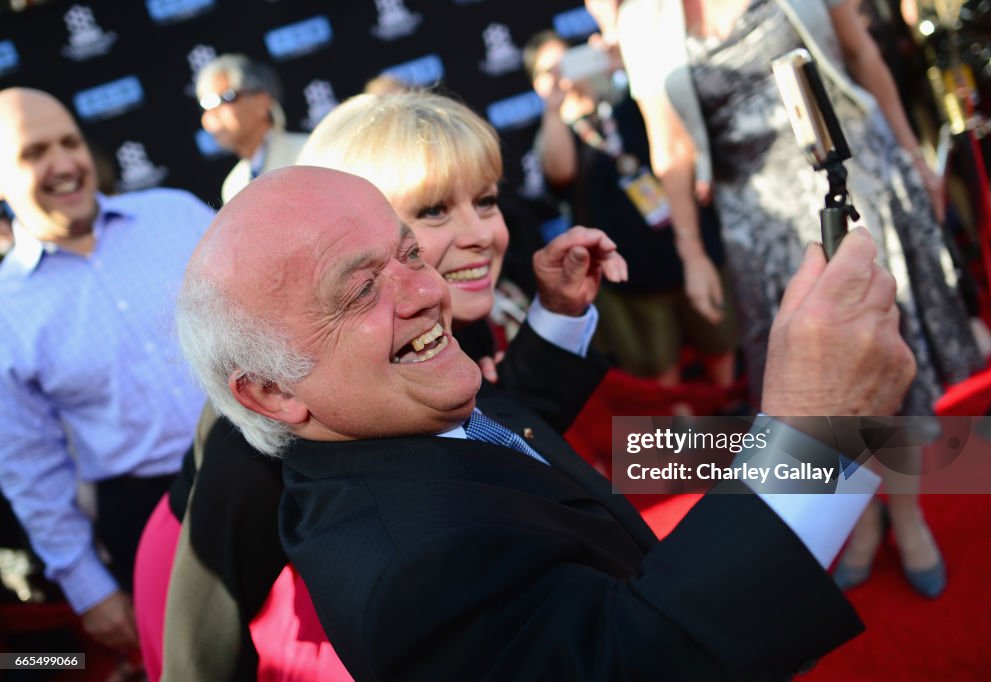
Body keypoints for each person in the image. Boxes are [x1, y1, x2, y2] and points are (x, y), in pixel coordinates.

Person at [175, 163, 917, 681]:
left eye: (408, 253)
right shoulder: (406, 573)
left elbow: (506, 428)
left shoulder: (386, 410)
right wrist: (820, 434)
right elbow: (635, 664)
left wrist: (558, 322)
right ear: (271, 394)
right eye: (362, 289)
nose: (427, 289)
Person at [142, 91, 625, 680]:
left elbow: (508, 429)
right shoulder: (280, 409)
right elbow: (203, 630)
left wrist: (559, 315)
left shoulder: (438, 314)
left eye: (487, 200)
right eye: (432, 213)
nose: (477, 233)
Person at [601, 0, 982, 597]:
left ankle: (906, 514)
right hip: (759, 229)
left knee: (878, 358)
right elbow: (669, 146)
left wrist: (912, 152)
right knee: (809, 394)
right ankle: (858, 518)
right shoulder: (642, 19)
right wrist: (692, 251)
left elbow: (861, 54)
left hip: (857, 190)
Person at [0, 88, 212, 656]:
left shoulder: (178, 214)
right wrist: (89, 587)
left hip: (275, 464)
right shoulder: (5, 312)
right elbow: (28, 465)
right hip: (147, 514)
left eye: (70, 142)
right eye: (33, 152)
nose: (65, 163)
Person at [524, 30, 739, 390]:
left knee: (720, 345)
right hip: (631, 279)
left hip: (687, 252)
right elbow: (560, 172)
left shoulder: (627, 104)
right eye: (551, 70)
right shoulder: (554, 133)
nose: (565, 74)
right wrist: (553, 107)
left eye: (569, 60)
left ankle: (734, 426)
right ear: (536, 84)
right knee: (659, 375)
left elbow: (672, 126)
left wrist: (627, 64)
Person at [196, 54, 308, 204]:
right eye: (206, 105)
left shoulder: (307, 151)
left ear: (262, 101)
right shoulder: (233, 185)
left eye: (225, 98)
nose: (211, 115)